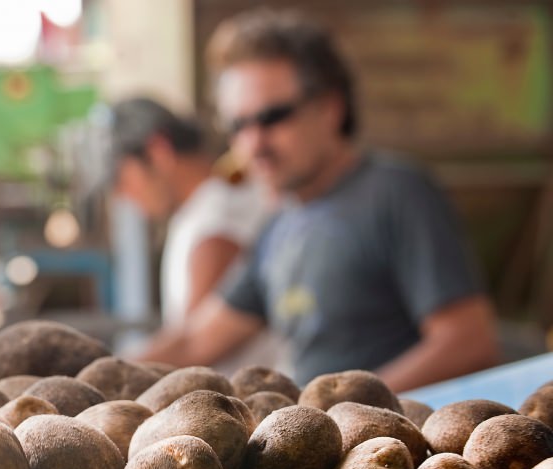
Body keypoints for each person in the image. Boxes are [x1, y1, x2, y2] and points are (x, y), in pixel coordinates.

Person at [137, 9, 499, 391]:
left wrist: (342, 411)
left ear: (331, 108)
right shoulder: (279, 226)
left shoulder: (396, 194)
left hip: (396, 443)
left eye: (273, 117)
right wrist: (95, 375)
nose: (254, 143)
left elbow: (467, 343)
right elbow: (196, 340)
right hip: (320, 438)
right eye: (237, 125)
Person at [111, 97, 272, 330]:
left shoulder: (218, 222)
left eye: (121, 180)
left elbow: (194, 343)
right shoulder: (198, 213)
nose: (122, 195)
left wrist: (119, 366)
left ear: (158, 151)